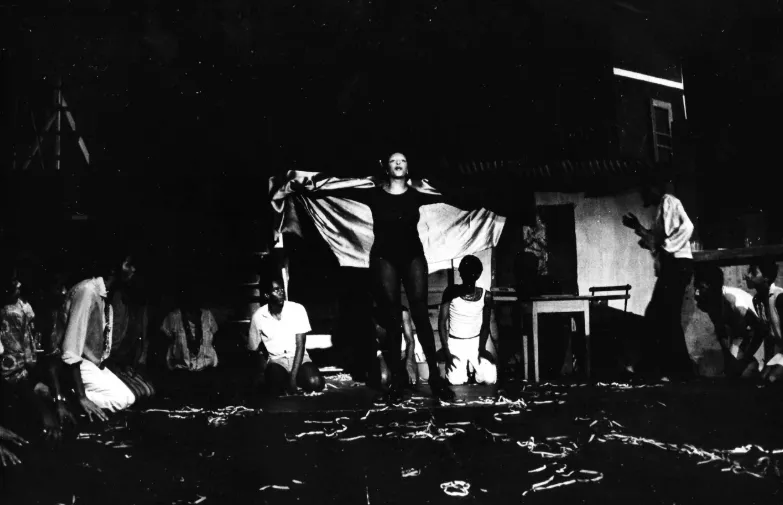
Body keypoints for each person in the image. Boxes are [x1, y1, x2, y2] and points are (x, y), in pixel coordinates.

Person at [312, 152, 457, 402]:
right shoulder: (373, 194)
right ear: (386, 168)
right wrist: (304, 186)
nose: (398, 163)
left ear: (408, 168)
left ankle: (436, 378)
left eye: (403, 160)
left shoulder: (417, 194)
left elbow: (454, 194)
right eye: (393, 160)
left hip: (412, 256)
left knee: (420, 313)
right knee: (392, 318)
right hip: (384, 258)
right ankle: (397, 382)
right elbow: (337, 189)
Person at [622, 175, 694, 381]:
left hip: (677, 264)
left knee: (663, 315)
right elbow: (657, 240)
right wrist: (639, 228)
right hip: (673, 265)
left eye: (645, 191)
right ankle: (666, 368)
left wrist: (669, 247)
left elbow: (687, 227)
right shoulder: (662, 207)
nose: (643, 196)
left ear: (654, 188)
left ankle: (674, 370)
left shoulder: (668, 201)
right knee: (660, 315)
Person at [51, 251, 138, 419]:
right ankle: (60, 395)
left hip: (91, 363)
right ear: (113, 268)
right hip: (74, 363)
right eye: (128, 264)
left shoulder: (104, 295)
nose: (133, 269)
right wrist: (82, 396)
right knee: (120, 400)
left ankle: (73, 393)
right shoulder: (87, 291)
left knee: (129, 398)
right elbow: (70, 350)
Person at [1, 265, 70, 442]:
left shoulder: (49, 313)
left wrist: (59, 400)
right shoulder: (13, 313)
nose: (64, 292)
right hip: (12, 386)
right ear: (41, 291)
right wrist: (45, 413)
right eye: (58, 287)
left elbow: (51, 358)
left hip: (28, 380)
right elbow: (13, 374)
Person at [248, 277, 325, 395]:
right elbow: (253, 348)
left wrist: (293, 378)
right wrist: (262, 372)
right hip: (277, 361)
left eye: (281, 289)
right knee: (275, 386)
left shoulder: (297, 309)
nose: (281, 292)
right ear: (267, 295)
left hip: (300, 359)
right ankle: (286, 381)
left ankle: (298, 378)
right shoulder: (258, 317)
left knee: (315, 382)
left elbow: (300, 346)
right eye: (276, 290)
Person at [693, 265, 765, 378]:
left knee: (743, 372)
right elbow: (720, 330)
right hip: (739, 335)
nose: (696, 293)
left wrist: (744, 361)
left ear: (713, 287)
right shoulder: (708, 301)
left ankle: (757, 368)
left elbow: (760, 331)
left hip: (758, 337)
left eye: (701, 287)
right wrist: (728, 358)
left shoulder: (735, 302)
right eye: (695, 288)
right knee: (730, 370)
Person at [438, 255, 497, 386]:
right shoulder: (451, 292)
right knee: (456, 381)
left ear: (478, 275)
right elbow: (442, 323)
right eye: (466, 272)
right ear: (460, 273)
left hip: (476, 343)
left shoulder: (486, 296)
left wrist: (482, 350)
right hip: (455, 343)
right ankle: (464, 370)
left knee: (489, 378)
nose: (470, 276)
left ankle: (473, 372)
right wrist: (447, 352)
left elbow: (485, 326)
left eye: (473, 273)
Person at [105, 269, 155, 401]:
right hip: (109, 362)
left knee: (147, 391)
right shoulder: (117, 299)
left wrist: (139, 360)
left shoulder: (140, 307)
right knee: (134, 394)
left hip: (125, 363)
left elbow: (142, 338)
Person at [160, 287, 219, 373]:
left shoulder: (208, 315)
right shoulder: (174, 317)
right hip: (181, 372)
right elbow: (165, 339)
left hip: (207, 370)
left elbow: (214, 335)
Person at [744, 258, 783, 383]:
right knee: (763, 378)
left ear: (766, 277)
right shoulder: (757, 300)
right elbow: (767, 335)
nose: (747, 276)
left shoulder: (779, 298)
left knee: (772, 378)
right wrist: (767, 365)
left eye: (753, 273)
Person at [373, 305, 419, 390]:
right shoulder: (375, 314)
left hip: (403, 354)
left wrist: (408, 362)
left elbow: (410, 340)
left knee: (412, 381)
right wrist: (381, 358)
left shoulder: (402, 312)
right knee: (384, 378)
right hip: (384, 354)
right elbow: (372, 342)